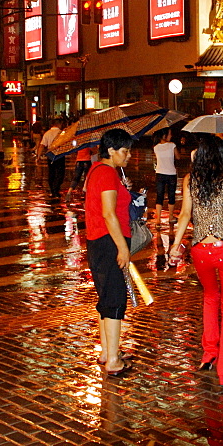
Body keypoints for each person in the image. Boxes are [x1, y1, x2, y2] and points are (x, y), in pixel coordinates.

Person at [169, 135, 223, 387]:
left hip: (200, 250)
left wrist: (175, 246)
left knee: (209, 298)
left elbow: (185, 214)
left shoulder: (190, 180)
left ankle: (208, 354)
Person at [85, 128, 135, 377]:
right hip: (109, 242)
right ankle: (113, 360)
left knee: (106, 298)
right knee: (115, 300)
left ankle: (107, 351)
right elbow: (108, 213)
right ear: (112, 151)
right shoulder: (105, 173)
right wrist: (123, 248)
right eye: (124, 151)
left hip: (97, 241)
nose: (128, 156)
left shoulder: (98, 170)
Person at [153, 129, 178, 225]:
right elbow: (178, 157)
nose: (171, 136)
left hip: (159, 173)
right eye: (170, 134)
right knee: (171, 196)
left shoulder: (156, 147)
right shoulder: (172, 145)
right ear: (164, 135)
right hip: (171, 174)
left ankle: (158, 220)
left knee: (160, 196)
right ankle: (171, 217)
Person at [36, 118, 64, 196]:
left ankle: (52, 189)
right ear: (59, 124)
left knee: (51, 172)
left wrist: (38, 156)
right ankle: (56, 188)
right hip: (60, 155)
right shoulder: (62, 133)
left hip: (50, 155)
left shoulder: (47, 133)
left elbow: (42, 145)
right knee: (60, 173)